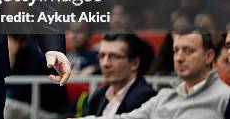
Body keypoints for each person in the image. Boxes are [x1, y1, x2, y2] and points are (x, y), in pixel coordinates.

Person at [74, 30, 230, 119]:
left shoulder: (225, 97)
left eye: (189, 51)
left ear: (209, 56)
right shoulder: (164, 96)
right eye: (176, 51)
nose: (180, 58)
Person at [84, 33, 156, 116]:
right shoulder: (99, 94)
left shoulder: (146, 97)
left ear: (135, 63)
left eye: (114, 56)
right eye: (102, 56)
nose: (105, 64)